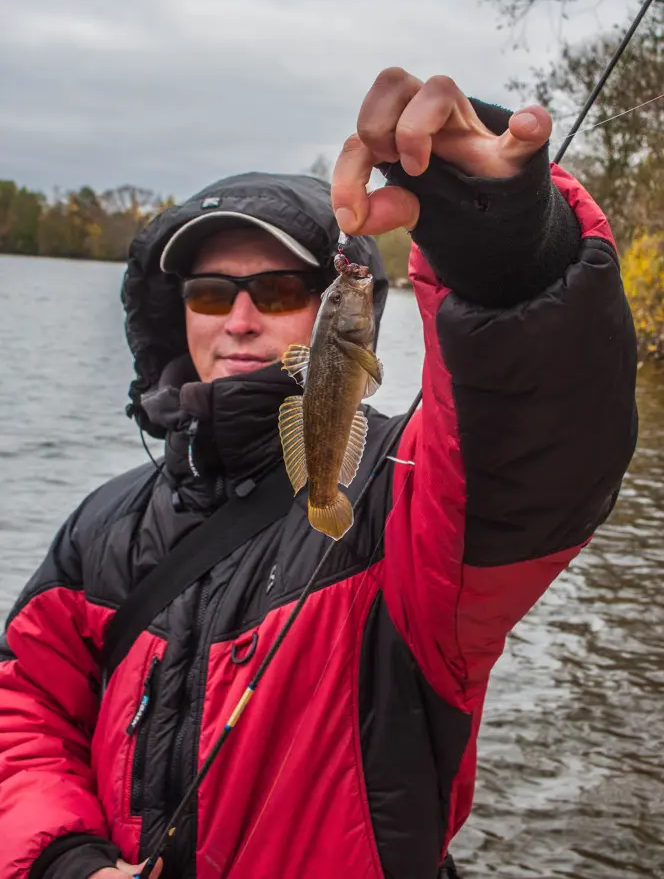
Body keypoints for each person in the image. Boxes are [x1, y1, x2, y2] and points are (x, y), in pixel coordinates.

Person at [0, 70, 637, 879]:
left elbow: (539, 447)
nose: (238, 318)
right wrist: (64, 861)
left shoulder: (407, 492)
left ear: (337, 304)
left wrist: (505, 244)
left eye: (279, 288)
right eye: (207, 291)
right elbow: (25, 710)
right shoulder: (103, 528)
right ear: (174, 312)